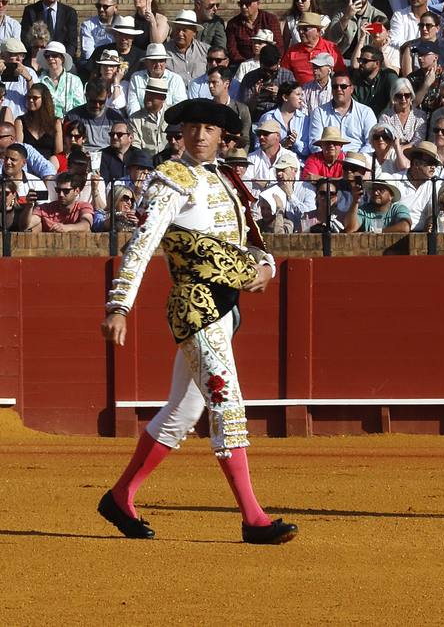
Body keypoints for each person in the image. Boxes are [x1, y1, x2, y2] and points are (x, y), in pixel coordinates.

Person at [97, 99, 298, 544]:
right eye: (192, 127)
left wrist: (267, 267)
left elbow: (251, 240)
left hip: (227, 308)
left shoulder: (226, 179)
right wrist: (119, 306)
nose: (199, 136)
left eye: (208, 129)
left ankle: (121, 495)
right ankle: (254, 519)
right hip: (195, 305)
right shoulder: (169, 180)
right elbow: (142, 244)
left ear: (222, 136)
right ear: (180, 133)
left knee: (183, 410)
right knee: (227, 400)